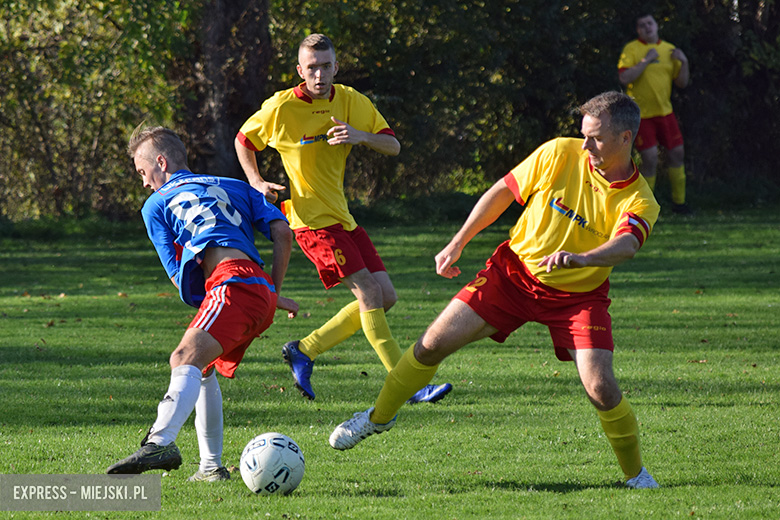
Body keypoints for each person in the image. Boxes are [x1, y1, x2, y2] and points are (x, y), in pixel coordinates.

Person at [329, 91, 661, 489]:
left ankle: (636, 476)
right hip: (512, 275)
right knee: (431, 344)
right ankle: (377, 418)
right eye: (583, 135)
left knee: (600, 386)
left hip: (578, 297)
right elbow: (503, 192)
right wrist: (457, 243)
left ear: (626, 138)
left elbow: (626, 244)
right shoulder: (559, 152)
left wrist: (582, 258)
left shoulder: (640, 199)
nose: (585, 145)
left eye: (596, 138)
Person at [235, 33, 451, 404]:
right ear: (300, 70)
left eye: (325, 66)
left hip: (344, 219)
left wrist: (360, 135)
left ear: (336, 66)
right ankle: (408, 384)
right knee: (368, 292)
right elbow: (243, 140)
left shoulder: (350, 100)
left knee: (385, 297)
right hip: (310, 221)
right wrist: (256, 181)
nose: (319, 75)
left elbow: (392, 145)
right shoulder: (280, 108)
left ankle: (304, 349)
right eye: (312, 68)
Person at [107, 126, 298, 481]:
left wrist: (218, 289)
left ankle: (160, 442)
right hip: (254, 287)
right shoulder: (237, 185)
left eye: (142, 172)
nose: (145, 183)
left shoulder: (157, 204)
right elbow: (283, 232)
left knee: (183, 358)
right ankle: (211, 468)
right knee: (202, 368)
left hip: (231, 283)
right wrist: (272, 291)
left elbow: (179, 278)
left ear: (160, 162)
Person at [618, 13, 691, 215]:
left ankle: (680, 204)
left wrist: (684, 62)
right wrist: (646, 60)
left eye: (650, 23)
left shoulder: (669, 49)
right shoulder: (632, 49)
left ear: (657, 26)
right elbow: (624, 77)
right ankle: (646, 209)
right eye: (642, 25)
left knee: (677, 154)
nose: (647, 27)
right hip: (641, 116)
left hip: (666, 113)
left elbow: (682, 83)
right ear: (637, 30)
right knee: (649, 159)